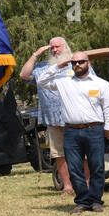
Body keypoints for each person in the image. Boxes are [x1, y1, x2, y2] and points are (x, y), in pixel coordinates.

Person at [38, 52, 109, 213]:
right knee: (74, 168)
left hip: (94, 129)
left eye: (81, 62)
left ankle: (95, 201)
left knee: (97, 166)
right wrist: (58, 65)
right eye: (73, 63)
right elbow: (42, 81)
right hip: (71, 131)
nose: (77, 65)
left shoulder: (101, 83)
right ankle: (82, 201)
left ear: (88, 63)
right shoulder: (64, 82)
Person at [20, 37, 75, 196]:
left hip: (74, 118)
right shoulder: (42, 67)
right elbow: (24, 74)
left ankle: (84, 184)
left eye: (57, 47)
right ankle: (68, 187)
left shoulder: (77, 63)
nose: (54, 50)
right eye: (52, 48)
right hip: (52, 119)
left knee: (79, 152)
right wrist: (36, 54)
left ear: (65, 47)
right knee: (59, 154)